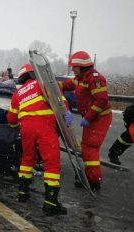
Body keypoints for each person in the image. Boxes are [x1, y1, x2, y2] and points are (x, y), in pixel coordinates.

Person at [7, 64, 72, 216]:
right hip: (45, 126)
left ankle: (23, 193)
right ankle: (50, 202)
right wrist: (66, 113)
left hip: (27, 129)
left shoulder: (18, 93)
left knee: (28, 158)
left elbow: (11, 119)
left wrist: (20, 123)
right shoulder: (43, 83)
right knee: (52, 163)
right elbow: (60, 102)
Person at [58, 51, 112, 191]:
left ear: (81, 66)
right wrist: (54, 86)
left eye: (74, 67)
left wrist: (88, 117)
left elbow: (102, 100)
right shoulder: (80, 78)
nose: (72, 69)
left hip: (100, 118)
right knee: (86, 147)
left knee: (90, 148)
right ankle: (89, 176)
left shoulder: (94, 79)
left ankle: (94, 181)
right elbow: (66, 85)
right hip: (91, 117)